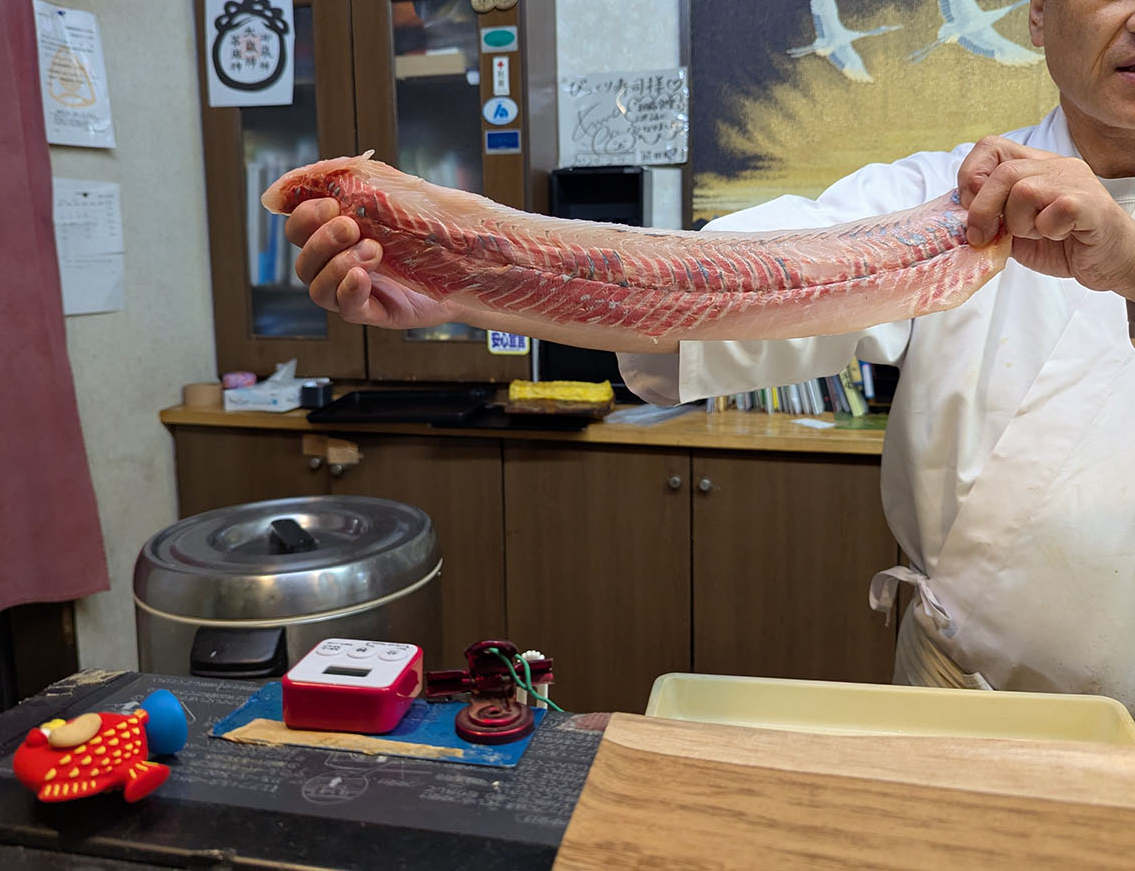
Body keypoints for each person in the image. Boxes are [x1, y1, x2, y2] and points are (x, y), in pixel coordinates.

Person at [285, 0, 1135, 705]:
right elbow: (724, 286)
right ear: (1033, 15)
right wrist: (465, 282)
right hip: (962, 695)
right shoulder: (957, 198)